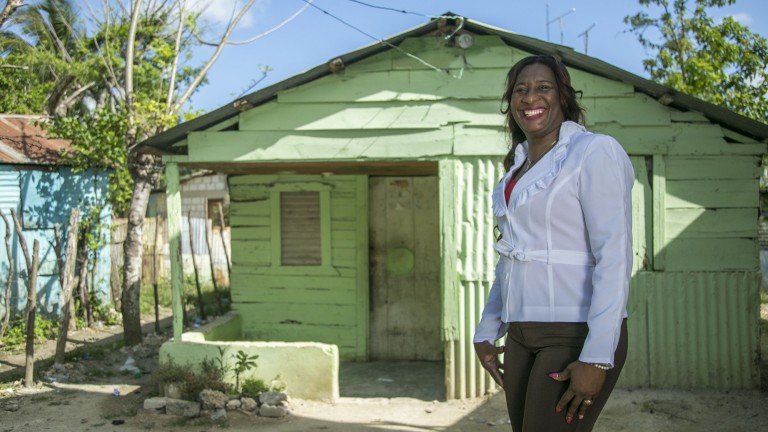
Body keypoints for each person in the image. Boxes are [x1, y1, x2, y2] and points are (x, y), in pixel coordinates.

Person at [473, 54, 634, 432]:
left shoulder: (594, 152)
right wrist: (486, 329)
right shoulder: (516, 168)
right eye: (520, 90)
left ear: (563, 96)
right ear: (510, 102)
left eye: (542, 88)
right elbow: (512, 258)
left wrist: (596, 358)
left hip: (572, 332)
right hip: (519, 335)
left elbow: (614, 257)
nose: (530, 98)